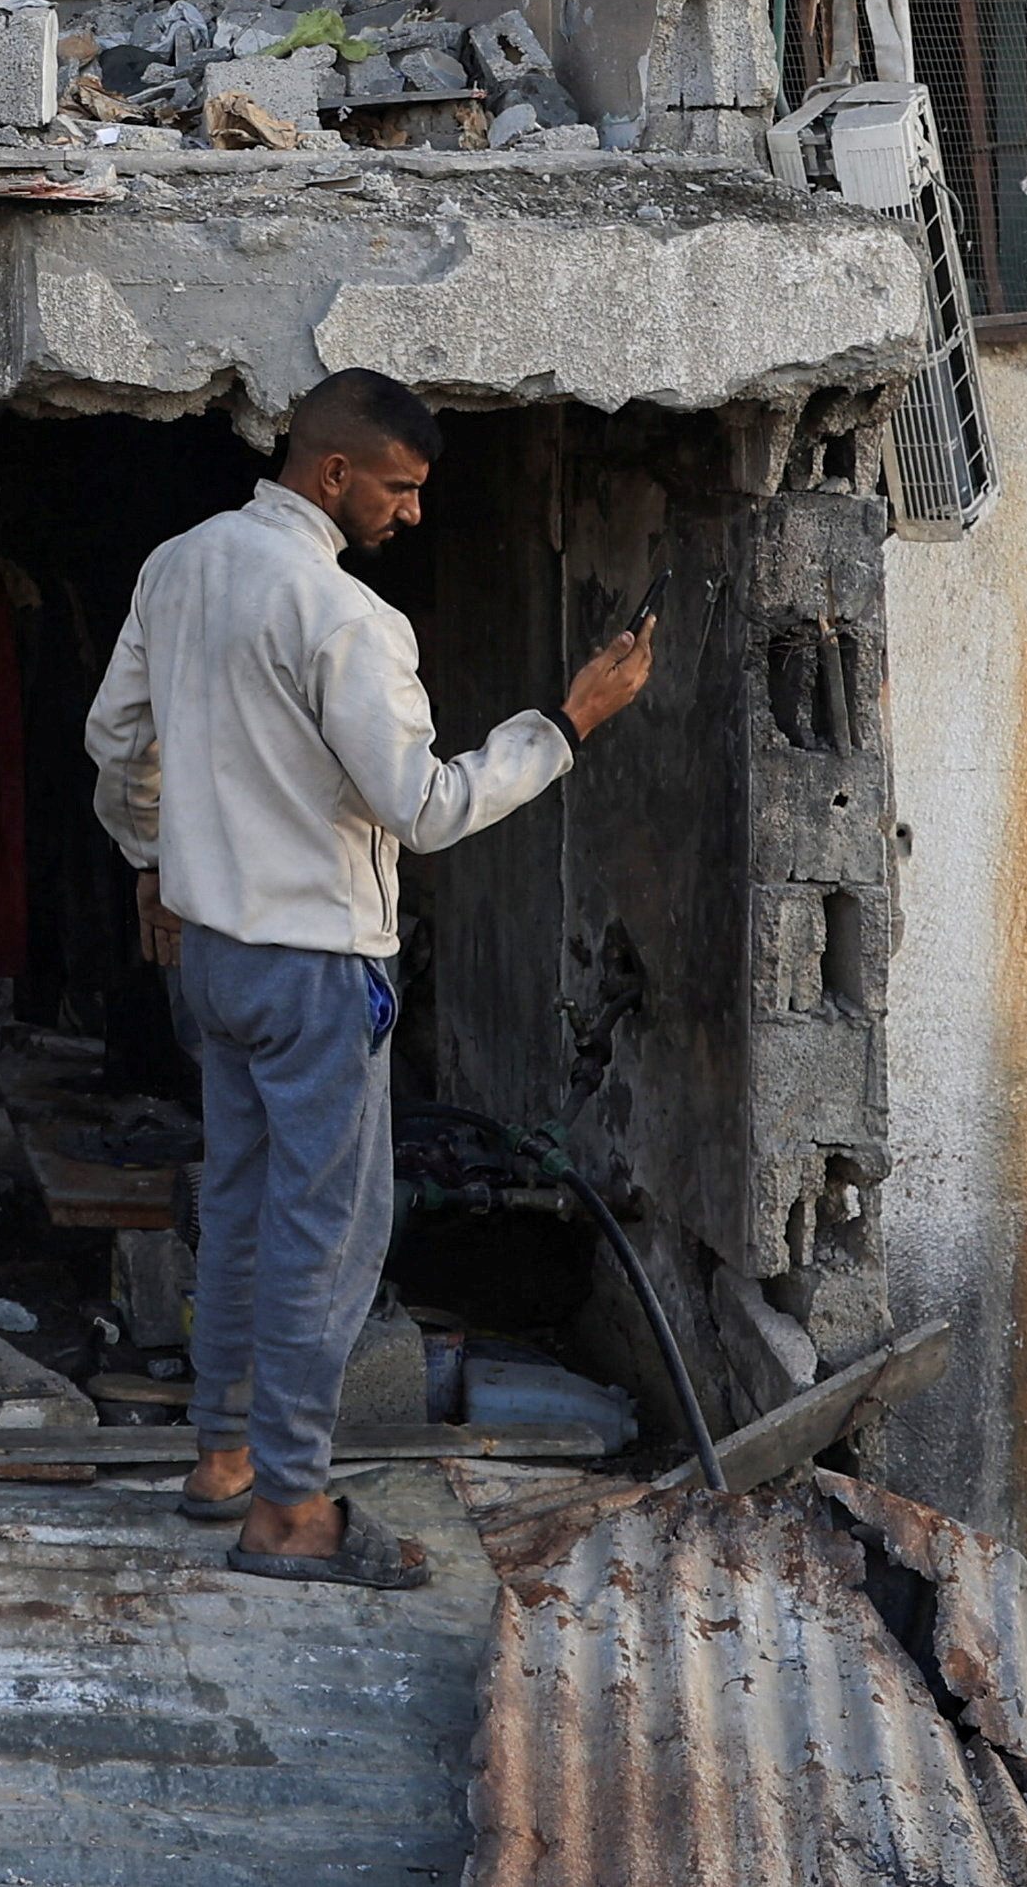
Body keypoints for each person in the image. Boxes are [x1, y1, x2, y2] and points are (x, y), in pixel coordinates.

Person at [83, 371, 657, 1590]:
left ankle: (224, 1454)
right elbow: (426, 805)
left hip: (212, 956)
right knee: (324, 1236)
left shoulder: (179, 563)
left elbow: (119, 745)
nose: (409, 512)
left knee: (239, 1206)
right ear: (333, 472)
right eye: (397, 487)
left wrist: (151, 861)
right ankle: (291, 1510)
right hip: (314, 968)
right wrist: (567, 720)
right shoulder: (346, 618)